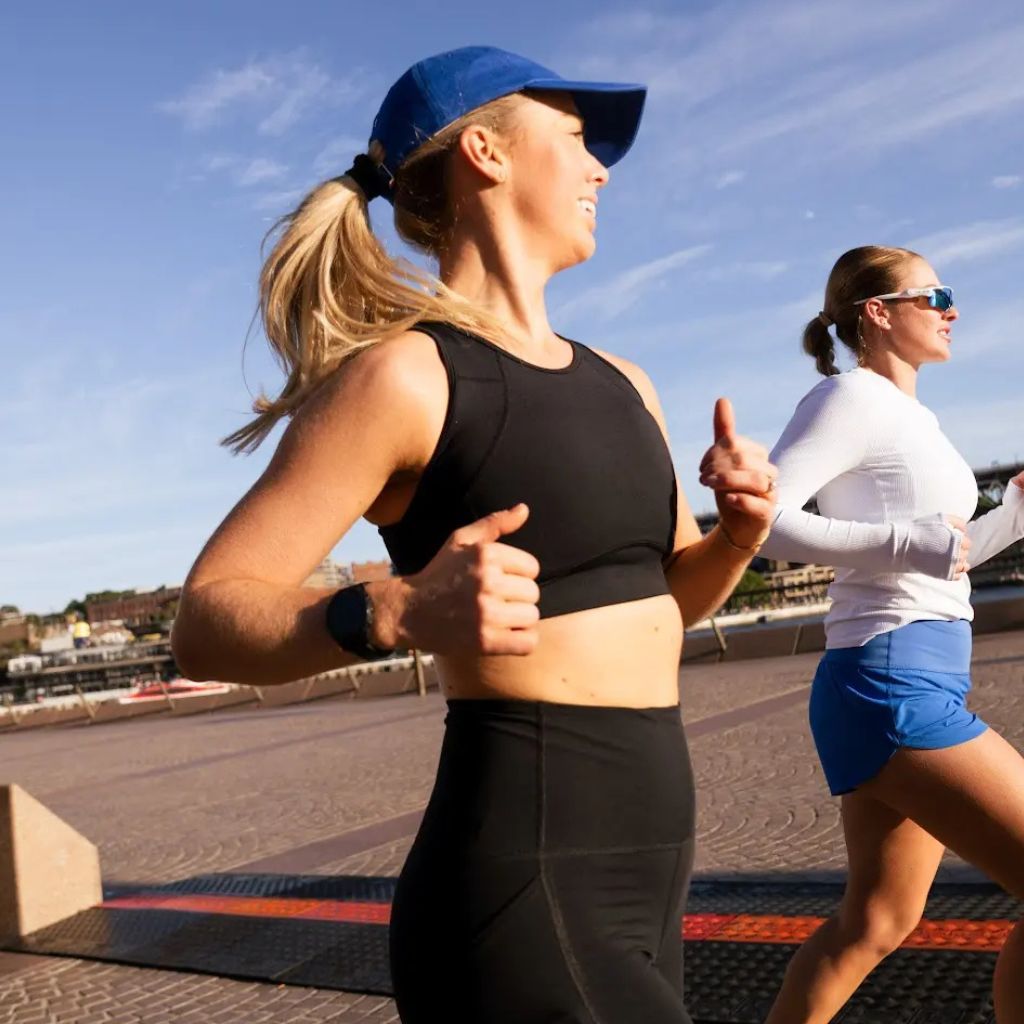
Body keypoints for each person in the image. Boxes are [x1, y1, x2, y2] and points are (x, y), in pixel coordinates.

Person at [171, 45, 776, 1023]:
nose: (600, 170)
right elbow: (204, 622)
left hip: (651, 879)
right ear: (486, 151)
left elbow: (661, 604)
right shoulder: (404, 378)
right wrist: (396, 609)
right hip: (522, 885)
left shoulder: (628, 382)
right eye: (577, 140)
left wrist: (740, 536)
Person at [753, 245, 1024, 1023]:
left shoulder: (913, 417)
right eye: (935, 293)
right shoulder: (847, 399)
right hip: (891, 682)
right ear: (878, 311)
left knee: (876, 921)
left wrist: (1011, 514)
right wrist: (906, 542)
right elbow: (765, 522)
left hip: (909, 674)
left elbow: (945, 552)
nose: (953, 308)